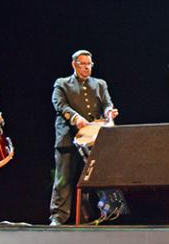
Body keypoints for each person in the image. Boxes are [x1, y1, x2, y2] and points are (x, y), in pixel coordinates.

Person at [49, 50, 119, 226]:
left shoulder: (100, 84)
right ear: (74, 64)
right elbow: (60, 104)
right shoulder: (62, 84)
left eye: (89, 64)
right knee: (63, 179)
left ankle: (108, 213)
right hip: (68, 139)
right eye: (83, 64)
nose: (87, 67)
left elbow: (107, 103)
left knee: (99, 177)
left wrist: (109, 112)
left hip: (94, 140)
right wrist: (75, 118)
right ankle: (58, 216)